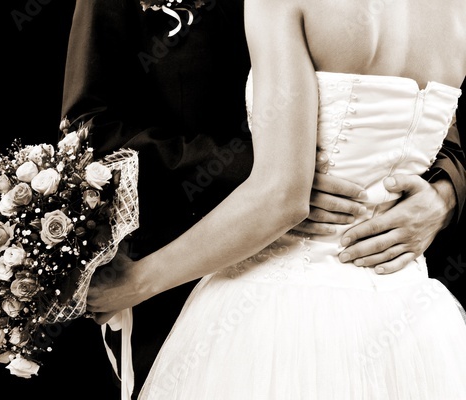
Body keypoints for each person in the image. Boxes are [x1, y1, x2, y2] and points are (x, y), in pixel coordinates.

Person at [58, 0, 466, 397]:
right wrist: (271, 166)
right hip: (400, 312)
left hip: (262, 307)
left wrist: (444, 194)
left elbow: (281, 195)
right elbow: (91, 130)